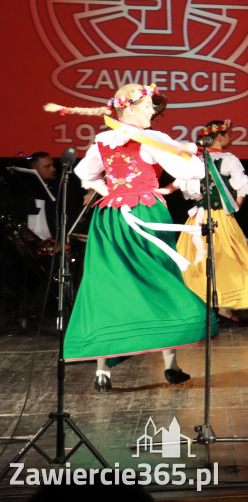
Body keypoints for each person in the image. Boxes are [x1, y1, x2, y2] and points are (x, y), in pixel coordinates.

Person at [46, 84, 214, 392]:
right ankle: (170, 365)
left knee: (110, 285)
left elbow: (86, 174)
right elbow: (194, 170)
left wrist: (114, 194)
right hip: (146, 215)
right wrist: (172, 186)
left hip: (109, 218)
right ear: (131, 110)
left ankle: (102, 372)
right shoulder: (151, 139)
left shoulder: (103, 141)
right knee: (160, 280)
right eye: (149, 106)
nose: (154, 111)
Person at [176, 120, 248, 323]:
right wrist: (232, 206)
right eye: (228, 134)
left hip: (198, 218)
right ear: (220, 137)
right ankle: (223, 308)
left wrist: (199, 198)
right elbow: (242, 186)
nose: (231, 138)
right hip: (219, 217)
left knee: (200, 261)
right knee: (224, 258)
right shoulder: (228, 159)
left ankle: (206, 307)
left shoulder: (196, 160)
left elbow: (187, 188)